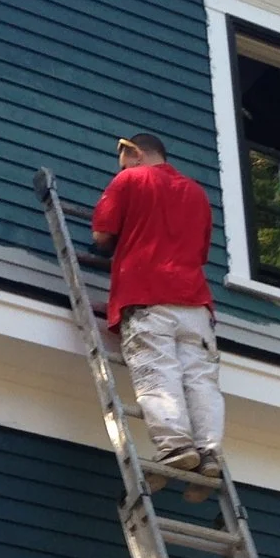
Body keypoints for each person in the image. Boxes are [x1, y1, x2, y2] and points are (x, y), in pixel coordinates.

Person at [90, 133, 222, 485]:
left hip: (147, 296)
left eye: (124, 160)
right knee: (200, 380)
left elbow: (102, 239)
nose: (123, 167)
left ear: (134, 153)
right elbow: (199, 252)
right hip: (196, 304)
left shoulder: (129, 180)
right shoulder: (196, 192)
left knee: (157, 373)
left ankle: (176, 446)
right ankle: (209, 450)